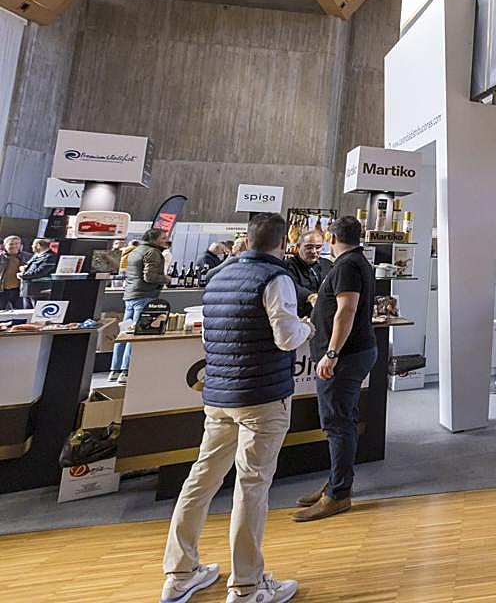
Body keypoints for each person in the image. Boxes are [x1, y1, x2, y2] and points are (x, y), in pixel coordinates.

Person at [159, 212, 311, 603]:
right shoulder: (277, 278)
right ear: (283, 244)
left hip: (220, 397)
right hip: (263, 396)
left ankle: (180, 572)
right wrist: (308, 326)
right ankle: (247, 585)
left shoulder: (218, 277)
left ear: (247, 239)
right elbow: (287, 337)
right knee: (251, 486)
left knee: (202, 478)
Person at [293, 216, 377, 522]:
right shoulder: (356, 262)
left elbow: (347, 309)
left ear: (331, 237)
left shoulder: (346, 266)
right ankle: (336, 481)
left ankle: (339, 494)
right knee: (343, 420)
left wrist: (331, 352)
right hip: (353, 353)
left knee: (337, 423)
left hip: (345, 356)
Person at [116, 228, 170, 382]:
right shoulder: (152, 252)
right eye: (163, 237)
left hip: (130, 296)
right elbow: (150, 276)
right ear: (154, 239)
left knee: (125, 333)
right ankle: (126, 371)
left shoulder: (136, 250)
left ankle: (115, 368)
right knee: (137, 334)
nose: (166, 240)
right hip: (144, 296)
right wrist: (165, 279)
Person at [283, 230, 330, 318]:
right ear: (298, 247)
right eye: (309, 247)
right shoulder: (287, 266)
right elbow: (291, 286)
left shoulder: (327, 265)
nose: (314, 251)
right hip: (298, 318)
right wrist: (310, 297)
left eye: (318, 247)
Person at [18, 238, 58, 308]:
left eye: (33, 244)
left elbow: (40, 272)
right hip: (28, 290)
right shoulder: (37, 255)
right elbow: (32, 267)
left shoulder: (50, 257)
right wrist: (25, 268)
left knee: (37, 314)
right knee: (27, 314)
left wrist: (23, 275)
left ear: (39, 245)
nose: (32, 246)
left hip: (39, 291)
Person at [0, 235, 30, 310]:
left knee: (20, 312)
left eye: (17, 244)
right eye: (11, 244)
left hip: (19, 290)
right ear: (5, 246)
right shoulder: (1, 257)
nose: (14, 246)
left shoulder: (28, 257)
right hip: (2, 290)